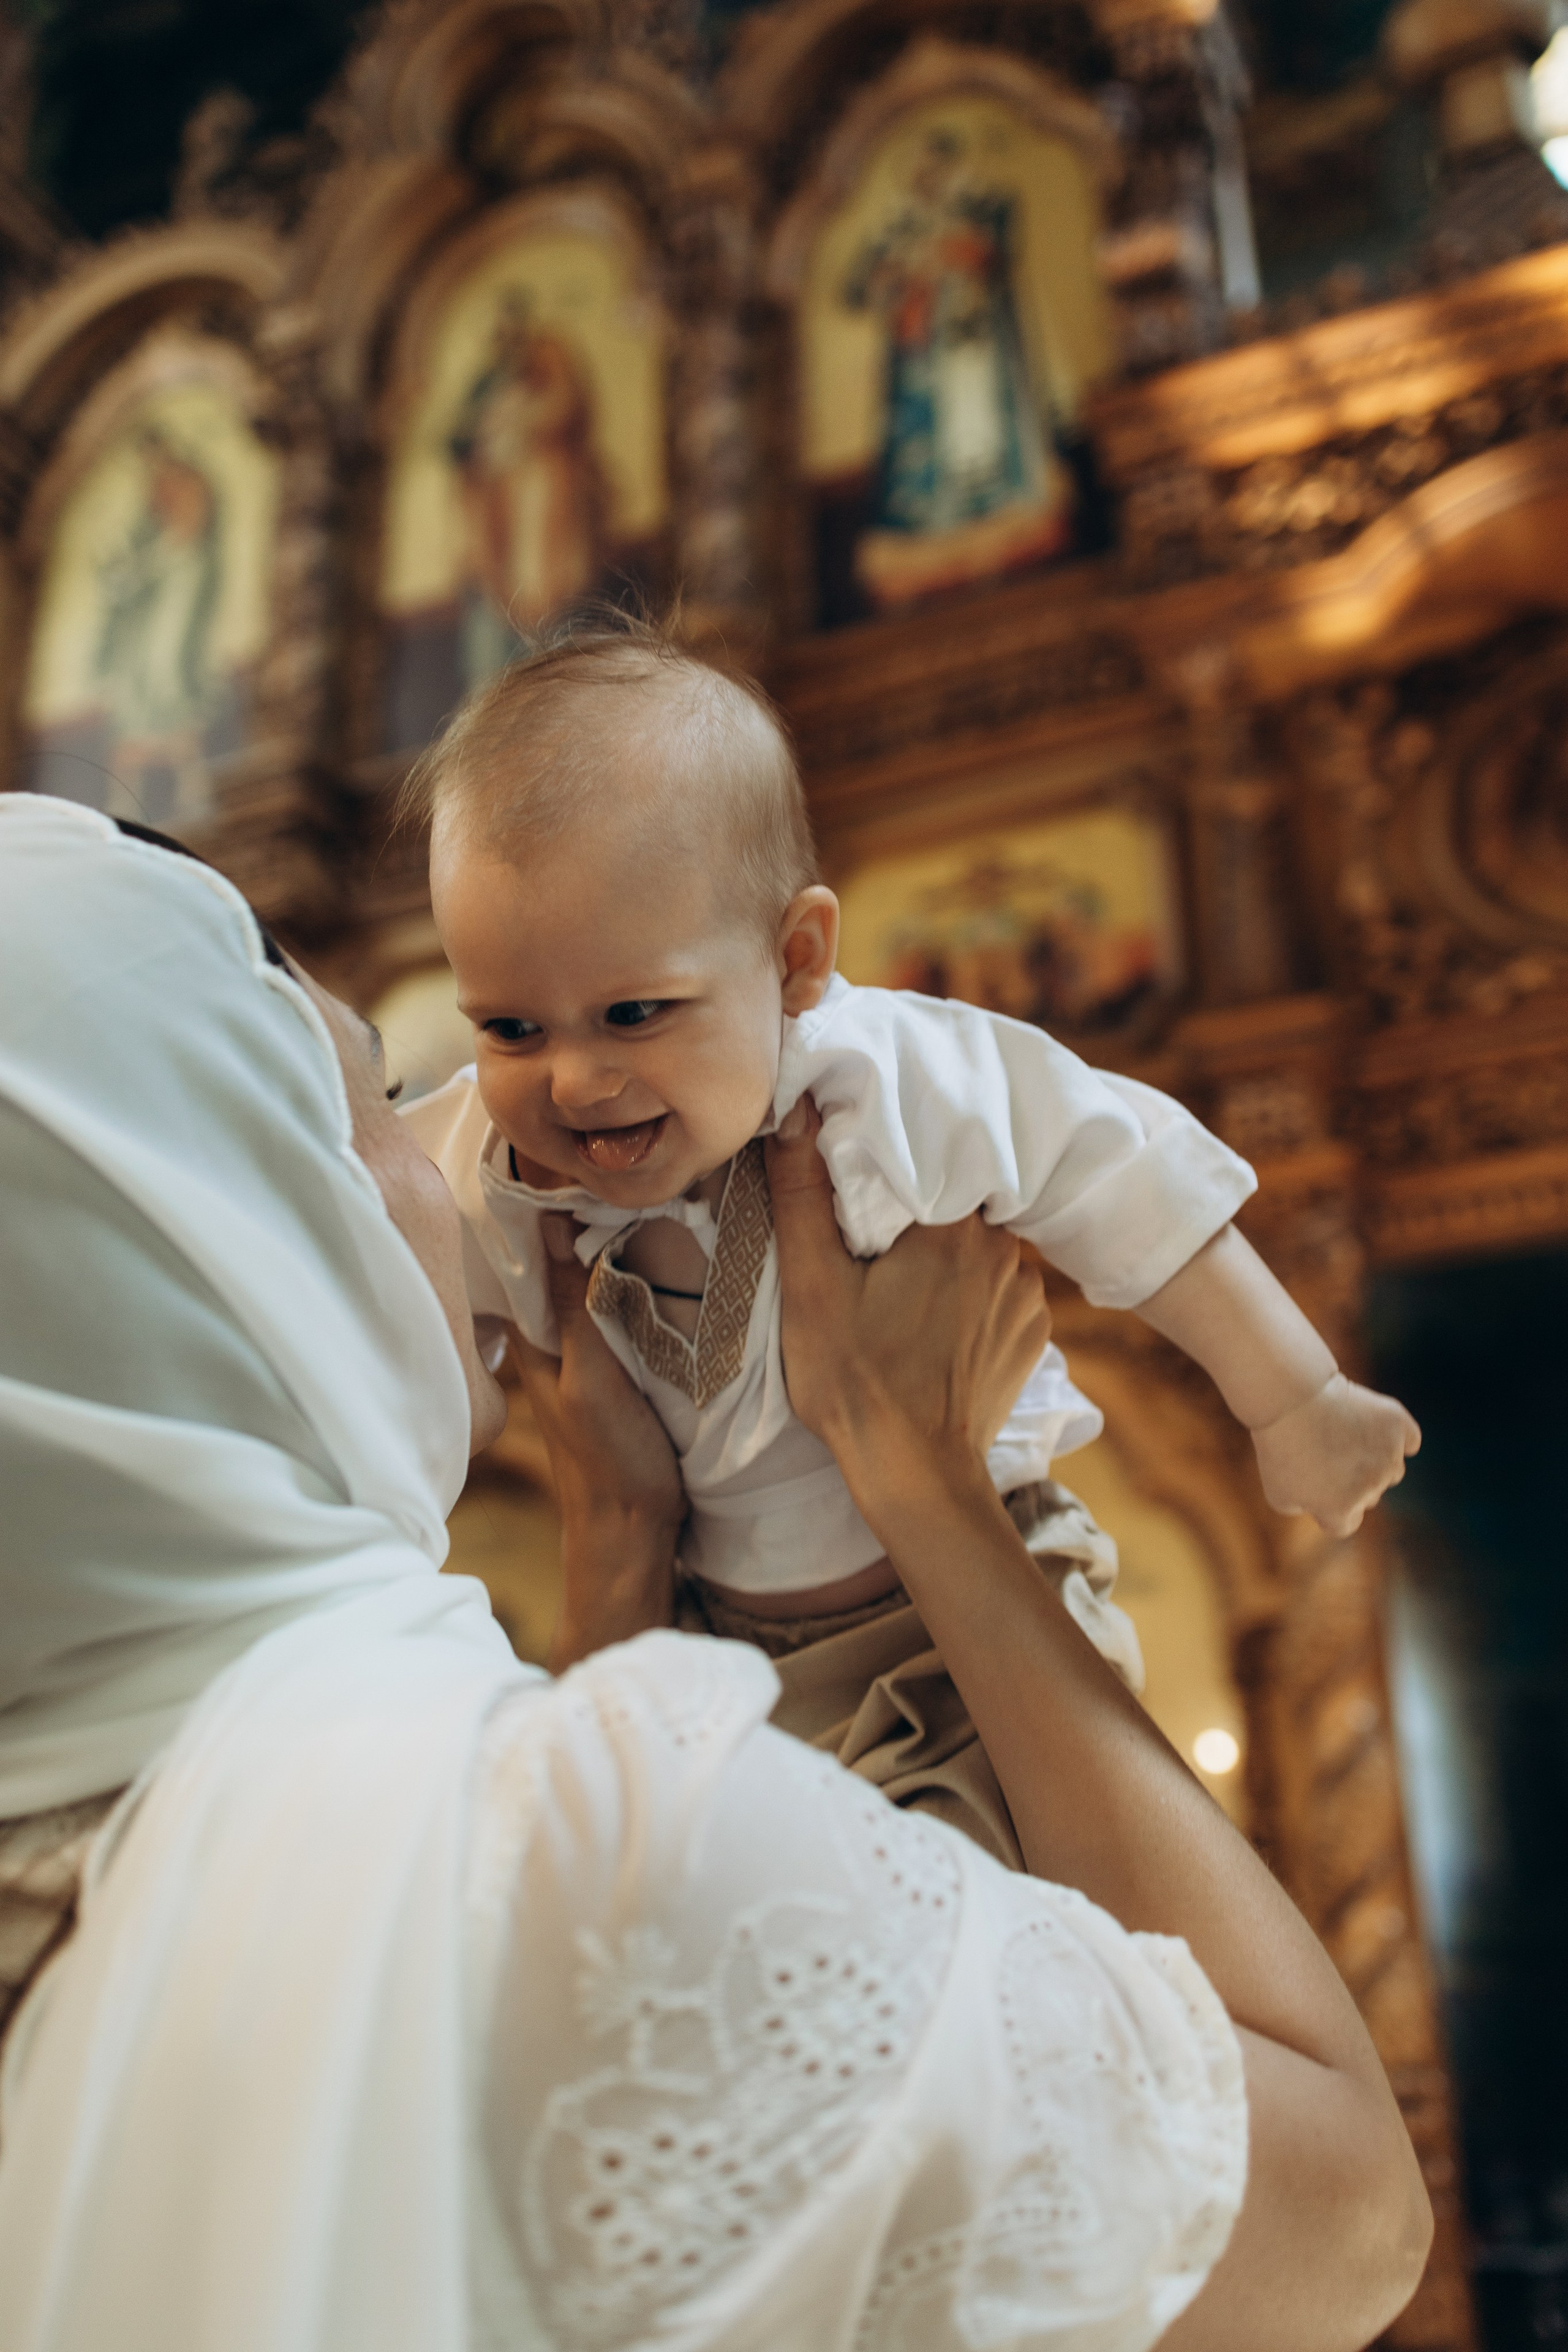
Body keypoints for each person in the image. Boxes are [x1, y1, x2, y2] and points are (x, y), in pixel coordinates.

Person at [0, 793, 1430, 2348]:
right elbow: (1337, 2223)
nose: (450, 1165)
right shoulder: (563, 1863)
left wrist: (623, 1539)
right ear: (232, 1223)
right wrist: (915, 1474)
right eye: (375, 1099)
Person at [402, 620, 1418, 1820]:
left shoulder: (877, 1081)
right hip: (711, 1633)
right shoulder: (492, 1158)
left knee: (991, 1882)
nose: (570, 1081)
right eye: (510, 1028)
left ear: (793, 962)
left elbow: (1113, 1167)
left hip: (955, 1623)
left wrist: (1291, 1397)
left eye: (633, 1012)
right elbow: (376, 1263)